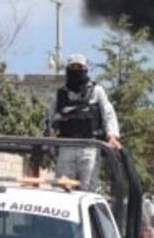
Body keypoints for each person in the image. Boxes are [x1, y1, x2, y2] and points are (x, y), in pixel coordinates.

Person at [46, 53, 121, 190]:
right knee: (62, 188)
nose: (75, 70)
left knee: (88, 189)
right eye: (72, 67)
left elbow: (108, 113)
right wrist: (50, 139)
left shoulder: (96, 91)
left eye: (79, 67)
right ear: (68, 70)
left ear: (85, 69)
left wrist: (112, 136)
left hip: (90, 146)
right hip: (66, 145)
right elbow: (49, 120)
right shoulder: (59, 94)